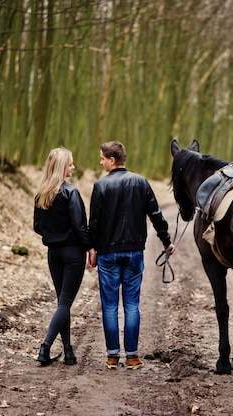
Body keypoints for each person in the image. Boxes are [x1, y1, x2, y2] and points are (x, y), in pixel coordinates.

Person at [88, 141, 175, 370]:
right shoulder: (141, 183)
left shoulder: (100, 186)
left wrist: (92, 248)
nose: (100, 162)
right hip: (135, 252)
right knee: (132, 305)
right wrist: (166, 241)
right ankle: (133, 357)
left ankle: (112, 357)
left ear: (112, 160)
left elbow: (94, 224)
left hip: (108, 254)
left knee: (109, 306)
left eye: (102, 158)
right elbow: (156, 214)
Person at [33, 147, 95, 366]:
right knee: (65, 302)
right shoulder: (71, 192)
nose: (73, 167)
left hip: (54, 254)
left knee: (63, 303)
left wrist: (53, 234)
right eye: (70, 164)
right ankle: (46, 346)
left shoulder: (41, 194)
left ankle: (68, 351)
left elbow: (37, 227)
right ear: (61, 167)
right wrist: (90, 247)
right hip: (72, 254)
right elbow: (80, 226)